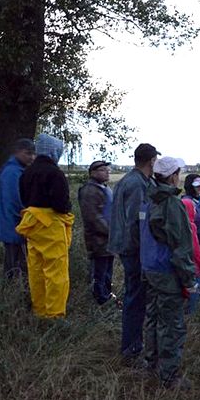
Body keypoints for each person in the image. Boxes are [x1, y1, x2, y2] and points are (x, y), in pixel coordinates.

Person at [139, 156, 197, 390]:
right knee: (172, 325)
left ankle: (150, 363)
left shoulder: (149, 199)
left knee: (152, 318)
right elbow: (181, 247)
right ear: (173, 176)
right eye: (179, 172)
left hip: (150, 269)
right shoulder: (172, 204)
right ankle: (169, 376)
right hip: (167, 272)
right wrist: (190, 280)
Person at [108, 143, 159, 365]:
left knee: (135, 297)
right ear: (151, 161)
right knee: (135, 299)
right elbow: (136, 222)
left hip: (127, 247)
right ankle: (131, 349)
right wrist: (145, 251)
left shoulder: (127, 180)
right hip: (134, 250)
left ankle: (133, 346)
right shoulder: (138, 184)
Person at [16, 133, 74, 319]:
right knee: (56, 270)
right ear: (53, 151)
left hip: (32, 224)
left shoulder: (26, 173)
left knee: (36, 269)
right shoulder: (55, 173)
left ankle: (39, 310)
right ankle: (55, 314)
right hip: (51, 225)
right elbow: (60, 204)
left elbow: (24, 199)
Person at [0, 138, 36, 278]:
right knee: (15, 265)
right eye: (28, 153)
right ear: (17, 152)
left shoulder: (17, 169)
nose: (32, 157)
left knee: (16, 263)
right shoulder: (12, 172)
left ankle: (12, 292)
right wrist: (27, 219)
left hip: (15, 225)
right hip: (14, 225)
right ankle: (11, 294)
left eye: (33, 154)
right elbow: (16, 201)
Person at [78, 160, 115, 305]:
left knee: (107, 271)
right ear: (92, 173)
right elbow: (93, 218)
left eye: (107, 169)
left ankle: (106, 296)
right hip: (98, 240)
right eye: (102, 170)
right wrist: (110, 231)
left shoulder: (104, 188)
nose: (107, 172)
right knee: (99, 272)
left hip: (108, 240)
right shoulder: (89, 190)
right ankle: (99, 300)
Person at [180, 195, 200, 315]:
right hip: (193, 265)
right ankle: (192, 313)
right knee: (194, 290)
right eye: (193, 208)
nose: (195, 211)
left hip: (182, 265)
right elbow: (196, 248)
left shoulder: (177, 225)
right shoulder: (191, 226)